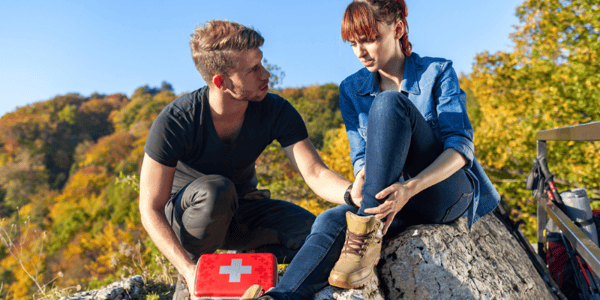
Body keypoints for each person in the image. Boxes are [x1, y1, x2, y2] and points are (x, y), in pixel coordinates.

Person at [241, 0, 501, 298]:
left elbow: (460, 147)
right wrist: (363, 176)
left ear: (398, 29)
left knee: (389, 104)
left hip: (440, 190)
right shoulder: (351, 89)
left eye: (369, 39)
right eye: (353, 43)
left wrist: (410, 188)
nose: (360, 52)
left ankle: (363, 233)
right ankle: (279, 296)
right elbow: (361, 155)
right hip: (389, 201)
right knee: (328, 220)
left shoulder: (437, 71)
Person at [138, 20, 355, 300]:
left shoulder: (275, 109)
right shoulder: (176, 121)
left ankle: (254, 273)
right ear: (221, 81)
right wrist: (188, 269)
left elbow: (315, 173)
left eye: (261, 63)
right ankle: (190, 286)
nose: (266, 74)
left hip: (244, 212)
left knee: (315, 235)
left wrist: (352, 193)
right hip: (192, 222)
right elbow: (150, 208)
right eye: (252, 70)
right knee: (216, 191)